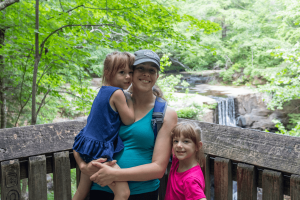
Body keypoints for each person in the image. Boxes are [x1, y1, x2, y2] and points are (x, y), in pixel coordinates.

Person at [73, 49, 178, 200]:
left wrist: (114, 174)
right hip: (101, 189)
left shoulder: (165, 114)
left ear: (157, 76)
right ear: (131, 73)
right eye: (140, 68)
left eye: (152, 70)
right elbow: (85, 137)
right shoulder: (113, 101)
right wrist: (83, 166)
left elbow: (158, 169)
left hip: (142, 193)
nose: (146, 74)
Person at [72, 51, 135, 200]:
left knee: (81, 192)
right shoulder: (118, 93)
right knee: (123, 193)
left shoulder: (102, 91)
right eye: (122, 72)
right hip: (100, 153)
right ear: (107, 73)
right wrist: (131, 99)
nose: (128, 77)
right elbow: (129, 120)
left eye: (130, 72)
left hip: (88, 149)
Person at [165, 122, 206, 200]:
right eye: (176, 141)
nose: (178, 145)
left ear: (198, 146)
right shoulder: (177, 161)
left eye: (186, 141)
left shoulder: (190, 181)